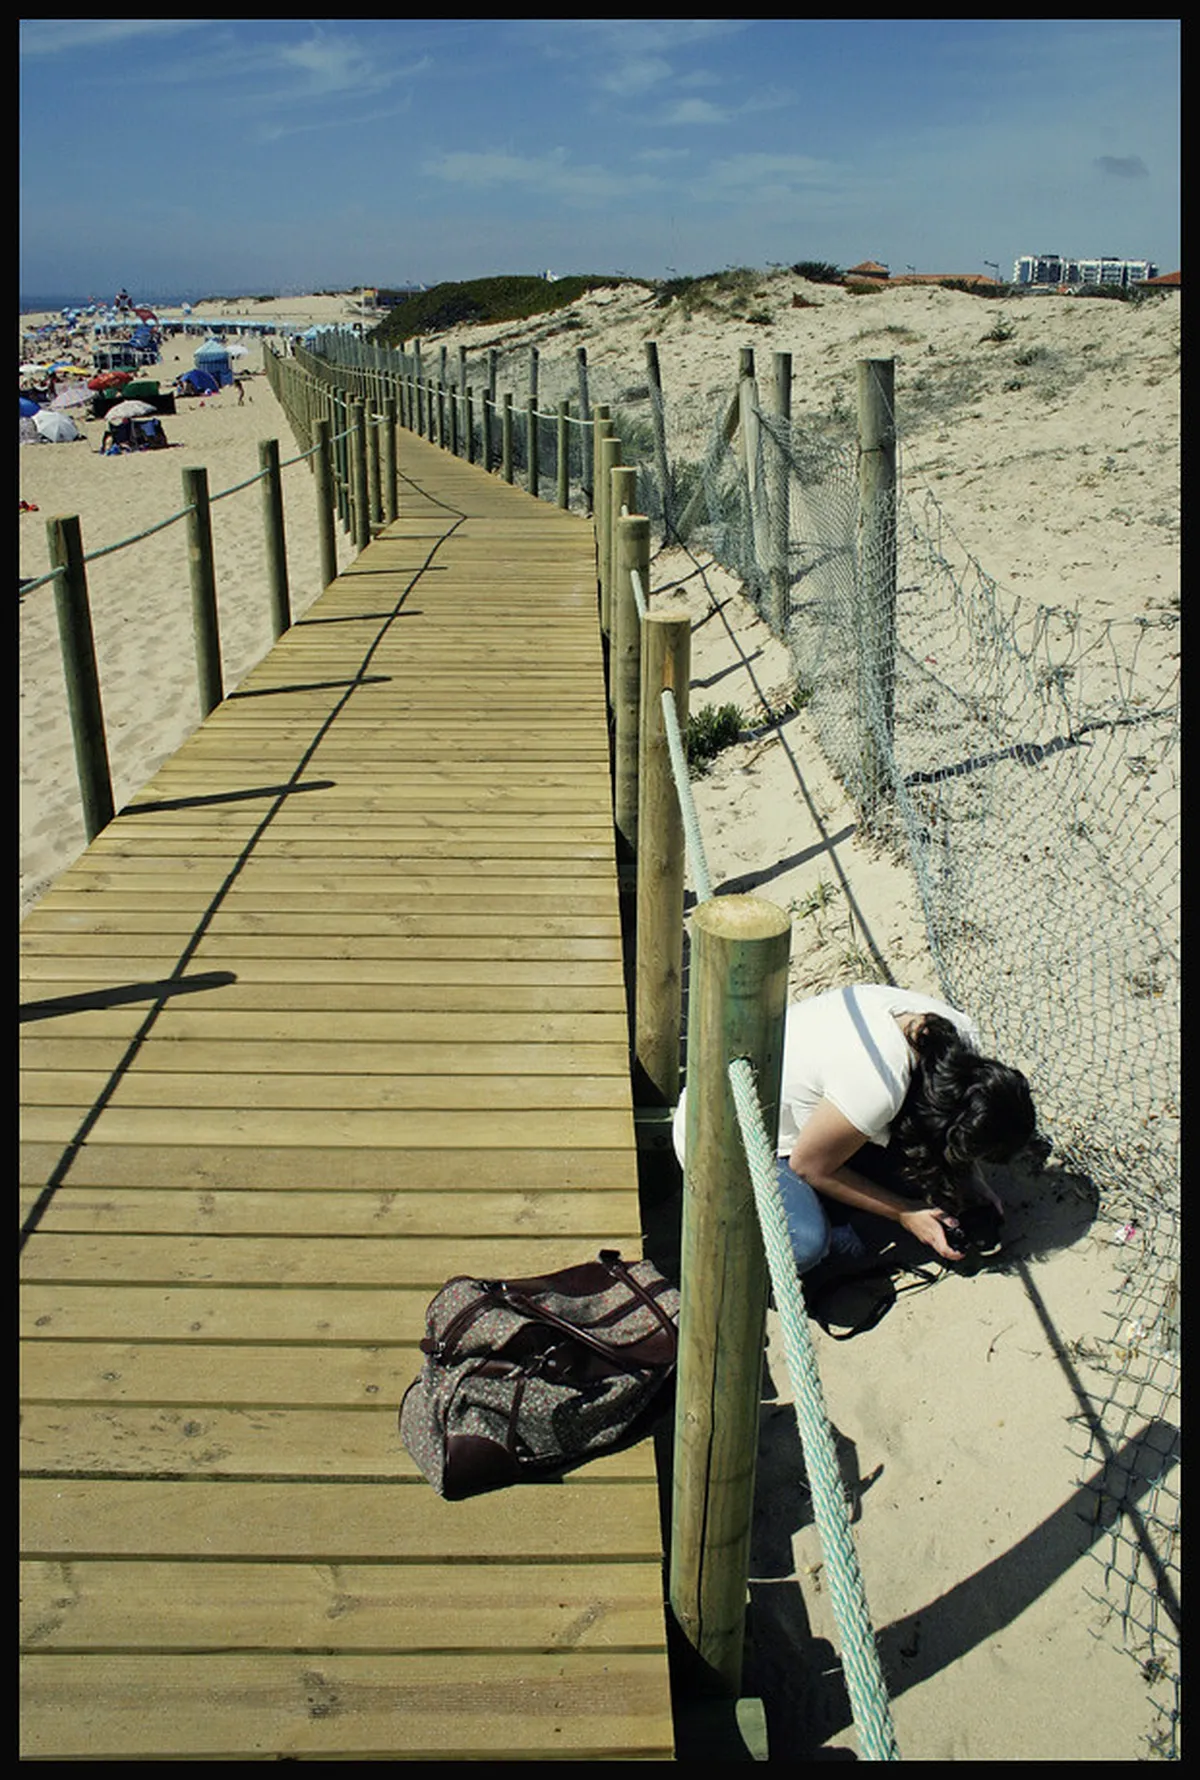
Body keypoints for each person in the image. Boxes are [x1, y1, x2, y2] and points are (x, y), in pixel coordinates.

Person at [673, 981, 1037, 1272]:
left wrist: (970, 1178)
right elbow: (808, 1166)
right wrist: (904, 1213)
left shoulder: (953, 1033)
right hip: (723, 1139)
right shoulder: (878, 1086)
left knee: (923, 1180)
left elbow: (960, 1109)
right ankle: (748, 1247)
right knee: (811, 1246)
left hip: (805, 1114)